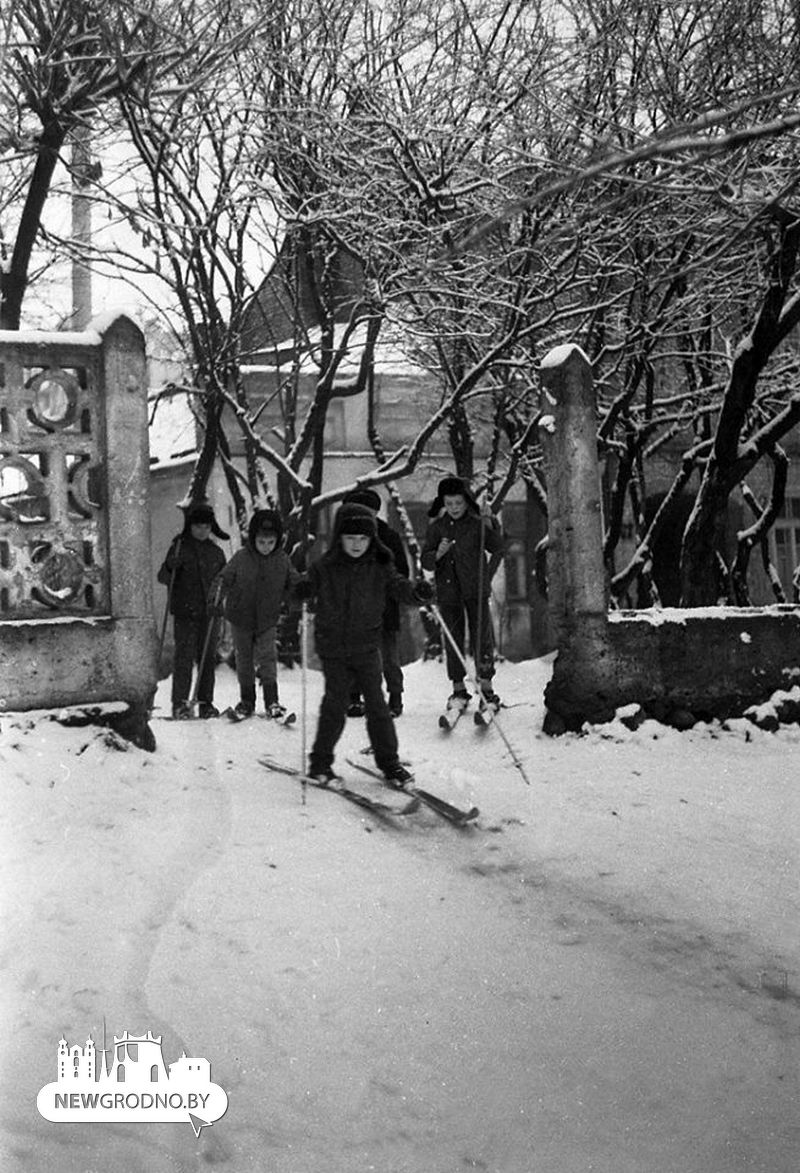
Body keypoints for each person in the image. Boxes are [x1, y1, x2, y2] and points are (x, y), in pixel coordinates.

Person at [296, 502, 433, 785]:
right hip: (333, 646)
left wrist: (417, 593)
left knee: (377, 705)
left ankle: (390, 763)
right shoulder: (325, 567)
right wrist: (302, 589)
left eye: (363, 538)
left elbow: (399, 586)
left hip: (367, 645)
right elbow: (302, 586)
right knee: (335, 704)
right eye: (350, 538)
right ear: (339, 538)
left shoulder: (381, 566)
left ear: (371, 539)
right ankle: (320, 763)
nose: (357, 544)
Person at [421, 476, 504, 714]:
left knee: (482, 638)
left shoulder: (477, 524)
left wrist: (491, 523)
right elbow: (426, 561)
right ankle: (458, 689)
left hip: (475, 590)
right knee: (453, 639)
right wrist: (438, 553)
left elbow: (497, 546)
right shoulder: (436, 528)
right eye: (449, 504)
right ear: (443, 504)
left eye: (458, 503)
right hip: (448, 592)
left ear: (466, 501)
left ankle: (486, 689)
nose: (455, 508)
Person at [212, 508, 299, 718]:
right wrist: (214, 598)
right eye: (261, 542)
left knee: (268, 658)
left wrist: (301, 590)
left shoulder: (282, 560)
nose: (266, 547)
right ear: (253, 539)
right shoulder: (241, 557)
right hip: (240, 617)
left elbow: (294, 582)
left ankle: (272, 701)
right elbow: (223, 579)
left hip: (267, 618)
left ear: (278, 540)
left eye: (271, 542)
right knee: (244, 660)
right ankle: (247, 700)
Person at [341, 487, 409, 718]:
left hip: (383, 607)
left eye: (369, 513)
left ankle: (395, 697)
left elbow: (402, 571)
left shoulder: (388, 537)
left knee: (388, 656)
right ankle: (353, 697)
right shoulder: (344, 539)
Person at [157, 501, 229, 719]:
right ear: (190, 526)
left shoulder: (216, 553)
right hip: (185, 613)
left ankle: (206, 703)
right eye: (198, 526)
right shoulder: (179, 547)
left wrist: (220, 604)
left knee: (207, 659)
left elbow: (223, 582)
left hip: (209, 614)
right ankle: (179, 704)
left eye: (206, 527)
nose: (202, 530)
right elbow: (163, 577)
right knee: (184, 659)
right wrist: (171, 565)